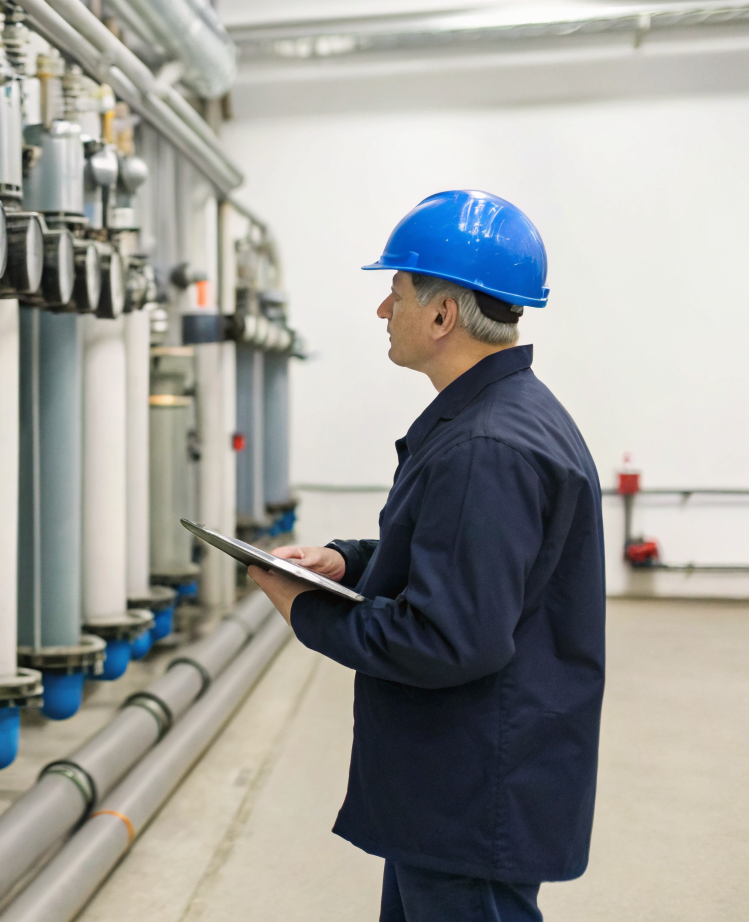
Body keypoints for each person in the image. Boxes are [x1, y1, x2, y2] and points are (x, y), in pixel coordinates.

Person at [246, 190, 605, 922]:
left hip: (472, 795)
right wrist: (348, 562)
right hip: (460, 787)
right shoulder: (501, 417)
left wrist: (304, 610)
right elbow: (468, 559)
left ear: (442, 316)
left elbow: (448, 638)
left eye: (396, 291)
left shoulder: (486, 447)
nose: (384, 309)